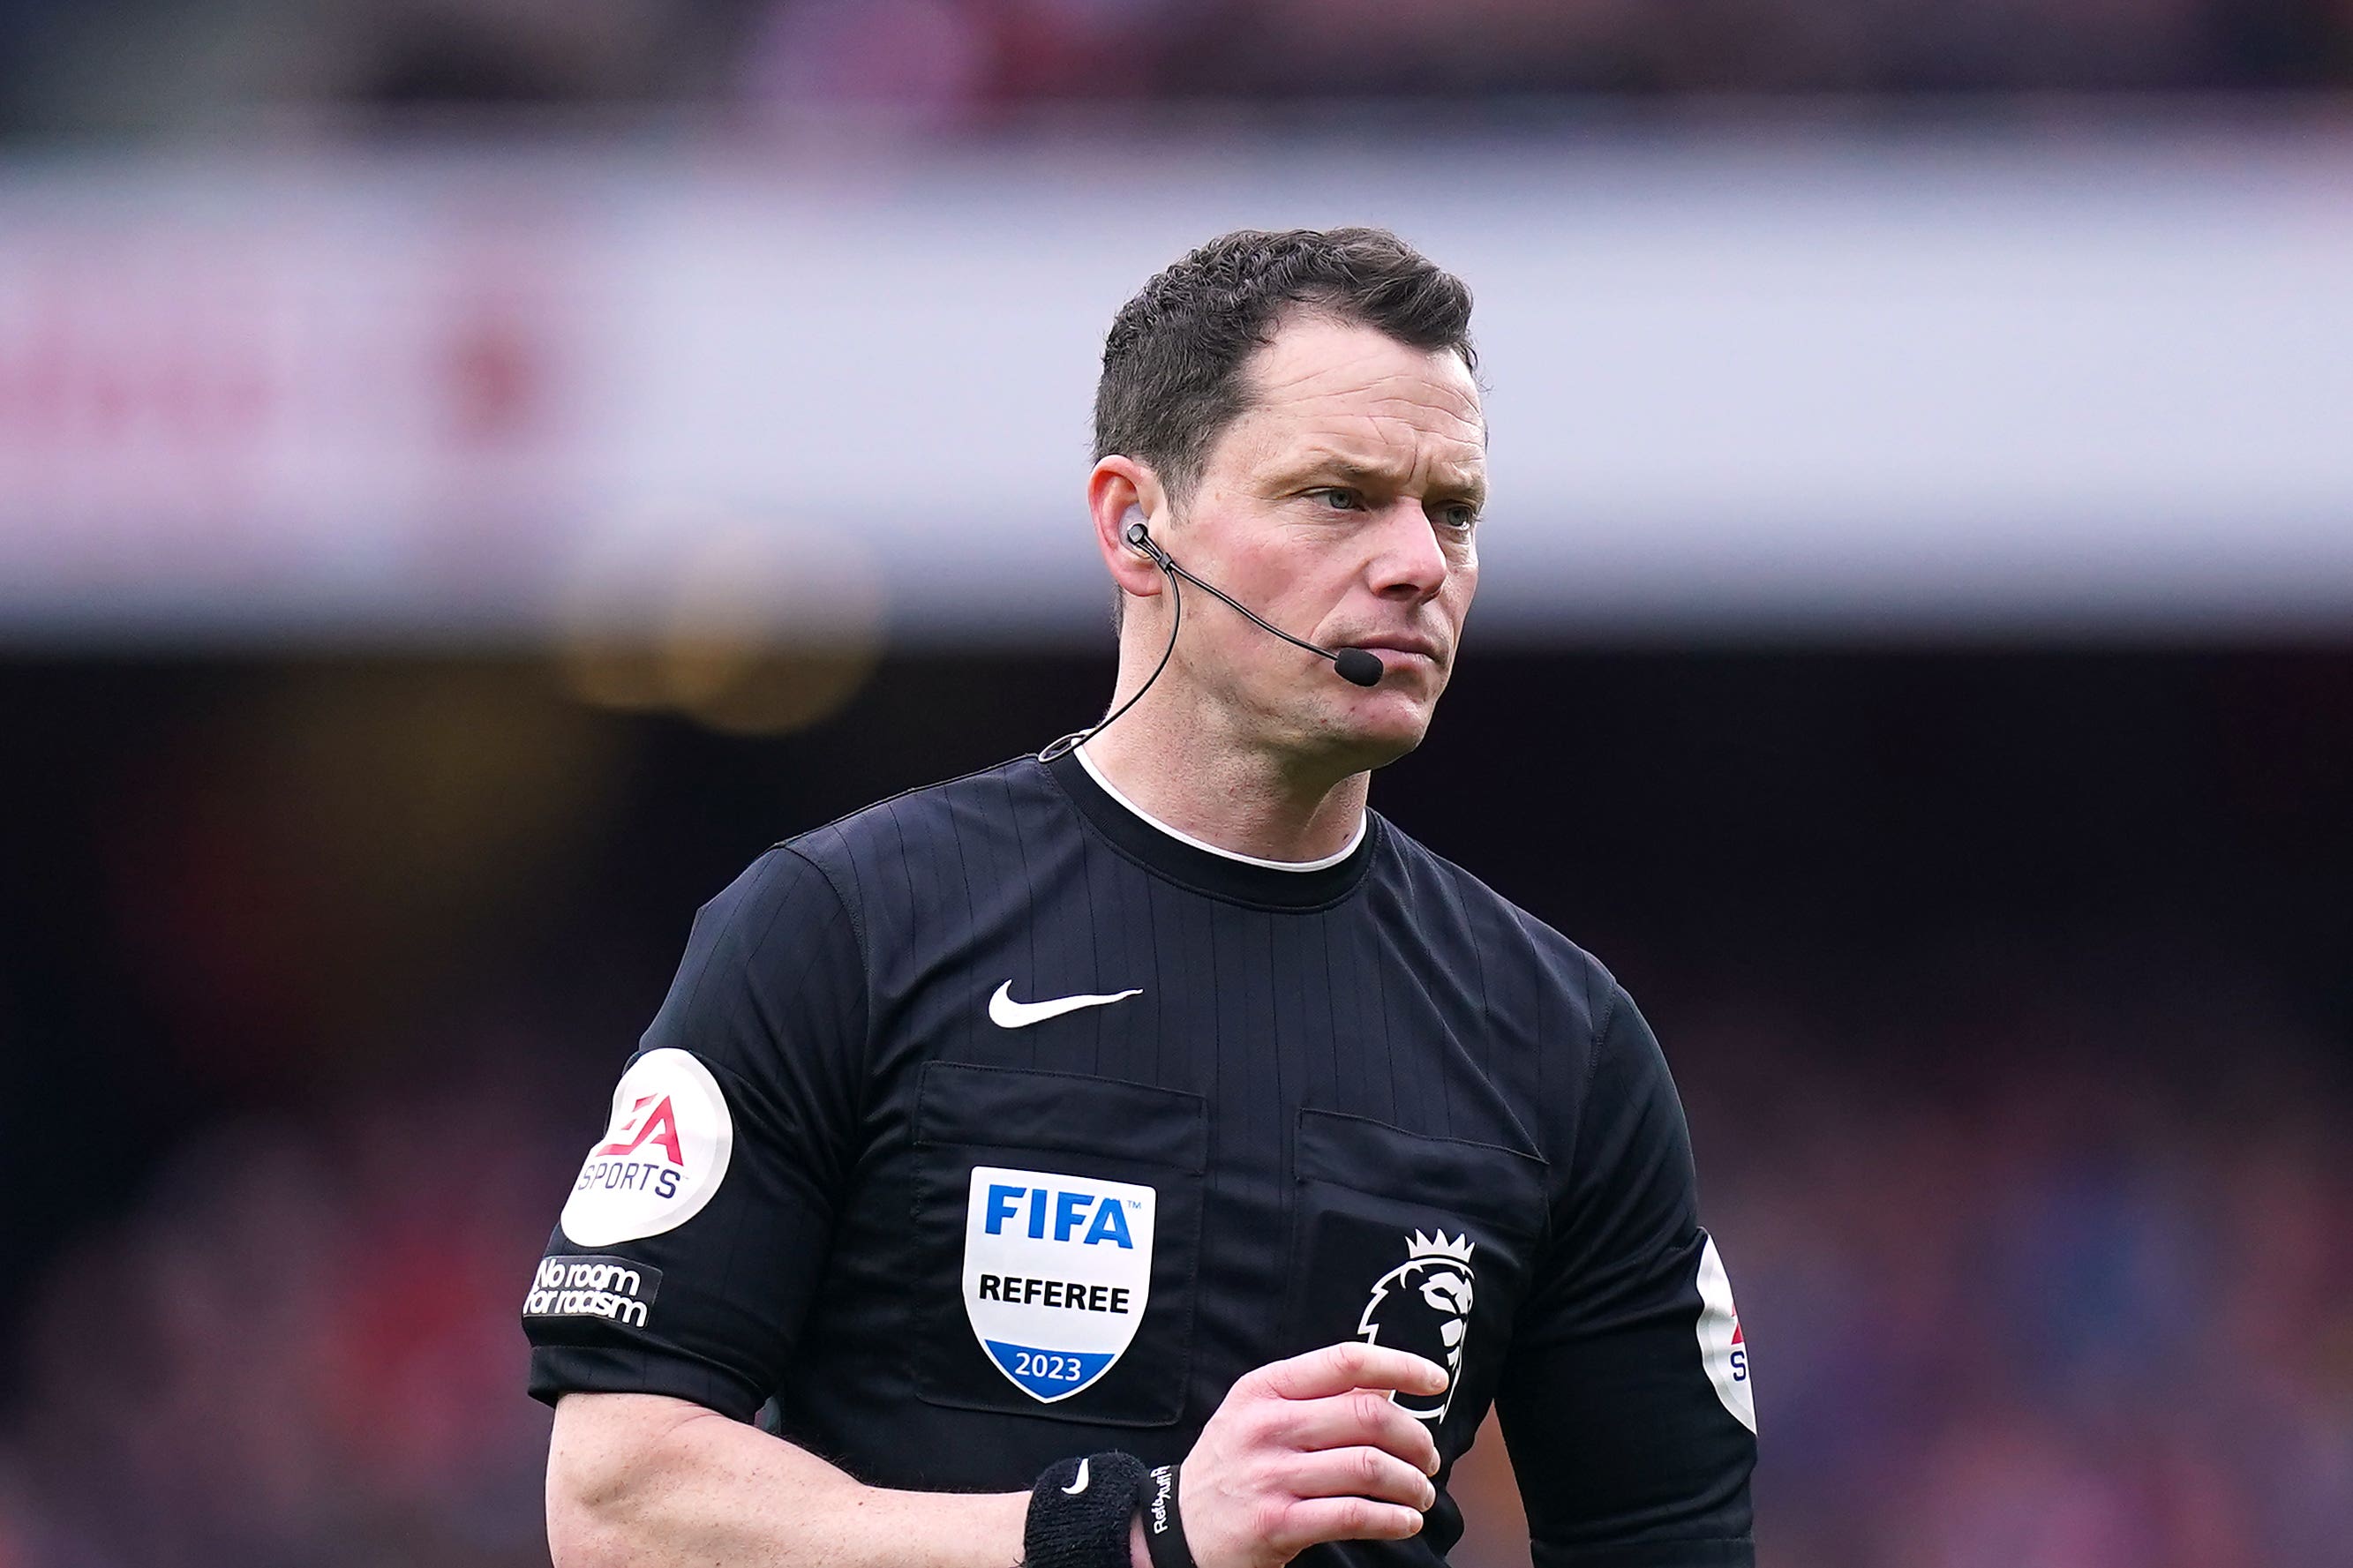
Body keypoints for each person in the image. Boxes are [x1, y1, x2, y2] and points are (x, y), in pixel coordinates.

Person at [524, 227, 1757, 1568]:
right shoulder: (839, 928)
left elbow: (1668, 1538)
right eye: (1339, 494)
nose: (1417, 561)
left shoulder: (1559, 1039)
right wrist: (1121, 1536)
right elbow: (619, 1499)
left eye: (1451, 509)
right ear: (1134, 524)